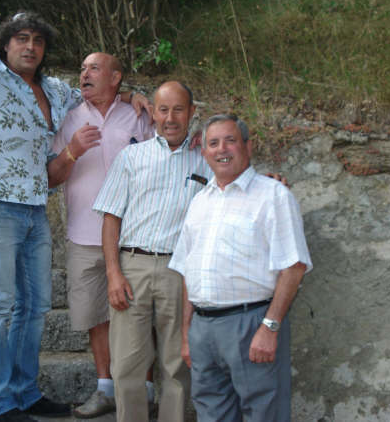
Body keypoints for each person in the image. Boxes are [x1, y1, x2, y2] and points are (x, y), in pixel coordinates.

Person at [0, 0, 149, 420]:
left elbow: (100, 92)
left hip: (34, 208)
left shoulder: (58, 92)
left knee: (36, 305)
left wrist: (134, 94)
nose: (30, 47)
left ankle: (25, 392)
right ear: (5, 46)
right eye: (21, 39)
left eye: (38, 41)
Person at [169, 114, 313, 422]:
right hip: (203, 330)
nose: (221, 149)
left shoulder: (273, 195)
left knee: (264, 414)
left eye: (230, 141)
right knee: (211, 414)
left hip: (251, 324)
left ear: (247, 146)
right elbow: (187, 272)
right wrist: (187, 334)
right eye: (213, 143)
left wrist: (269, 327)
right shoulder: (199, 202)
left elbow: (294, 267)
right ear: (204, 152)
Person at [92, 81, 213, 422]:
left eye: (178, 110)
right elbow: (111, 218)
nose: (170, 118)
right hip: (133, 268)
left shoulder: (206, 161)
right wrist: (113, 274)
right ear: (153, 114)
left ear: (191, 113)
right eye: (163, 110)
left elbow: (238, 180)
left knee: (177, 362)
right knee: (127, 362)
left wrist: (272, 179)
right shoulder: (132, 157)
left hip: (180, 272)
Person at [48, 52, 156, 418]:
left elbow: (166, 156)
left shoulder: (138, 115)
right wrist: (72, 151)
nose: (85, 74)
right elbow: (51, 177)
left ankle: (146, 391)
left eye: (94, 68)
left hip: (134, 235)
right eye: (82, 68)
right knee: (96, 315)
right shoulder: (69, 118)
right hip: (83, 235)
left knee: (139, 314)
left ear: (115, 77)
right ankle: (106, 389)